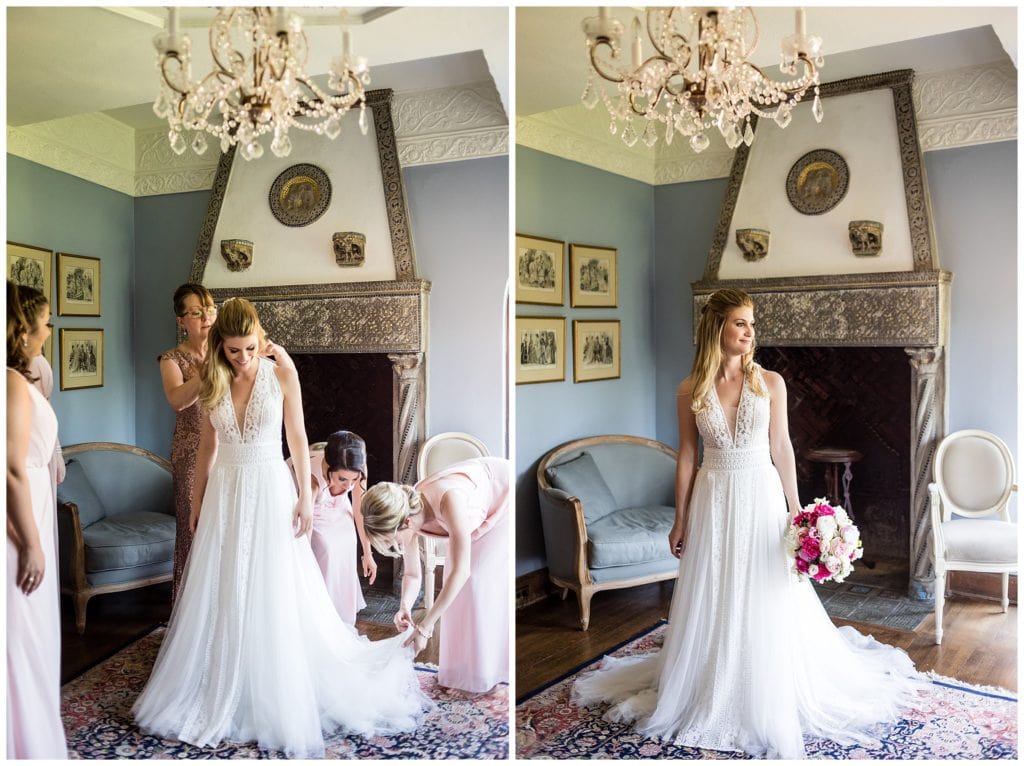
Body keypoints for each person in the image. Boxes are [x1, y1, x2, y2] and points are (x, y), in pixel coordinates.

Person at [570, 288, 927, 759]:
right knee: (717, 586)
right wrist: (681, 520)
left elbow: (781, 447)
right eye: (740, 323)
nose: (750, 332)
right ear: (716, 327)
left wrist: (799, 512)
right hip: (714, 495)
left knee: (765, 585)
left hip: (760, 494)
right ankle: (713, 678)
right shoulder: (689, 389)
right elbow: (687, 458)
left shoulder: (770, 382)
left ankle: (768, 678)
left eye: (751, 324)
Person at [133, 298, 428, 758]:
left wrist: (306, 500)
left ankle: (274, 680)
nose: (242, 357)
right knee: (224, 581)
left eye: (249, 348)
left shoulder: (280, 372)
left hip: (270, 486)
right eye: (232, 350)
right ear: (220, 346)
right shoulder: (214, 374)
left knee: (272, 582)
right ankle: (222, 676)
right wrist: (196, 500)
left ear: (259, 337)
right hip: (226, 491)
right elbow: (208, 445)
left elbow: (296, 435)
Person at [159, 283, 293, 603]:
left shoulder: (244, 356)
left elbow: (274, 385)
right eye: (195, 312)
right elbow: (178, 401)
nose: (205, 318)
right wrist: (209, 371)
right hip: (194, 449)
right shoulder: (174, 359)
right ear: (181, 321)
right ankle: (190, 607)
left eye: (209, 310)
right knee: (196, 537)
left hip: (240, 450)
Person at [361, 455, 509, 694]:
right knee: (456, 586)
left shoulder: (450, 501)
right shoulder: (407, 516)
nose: (395, 546)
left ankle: (485, 678)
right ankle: (462, 673)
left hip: (502, 498)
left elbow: (462, 572)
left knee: (475, 583)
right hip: (472, 509)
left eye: (392, 540)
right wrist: (405, 607)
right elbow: (412, 574)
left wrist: (425, 628)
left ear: (406, 524)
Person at [6, 282, 67, 758]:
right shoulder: (9, 382)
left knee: (31, 634)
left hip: (31, 508)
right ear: (21, 328)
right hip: (22, 517)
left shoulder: (18, 379)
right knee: (21, 635)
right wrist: (30, 543)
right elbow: (11, 467)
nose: (50, 329)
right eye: (44, 321)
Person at [288, 430, 377, 625]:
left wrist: (368, 554)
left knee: (348, 538)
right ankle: (320, 612)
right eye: (342, 479)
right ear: (328, 468)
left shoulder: (357, 469)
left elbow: (358, 509)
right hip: (308, 507)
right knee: (326, 546)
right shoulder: (312, 480)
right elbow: (306, 525)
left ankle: (342, 616)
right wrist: (303, 565)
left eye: (354, 480)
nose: (349, 486)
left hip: (338, 507)